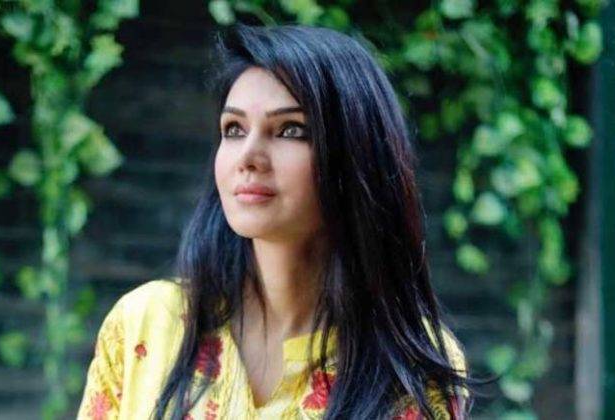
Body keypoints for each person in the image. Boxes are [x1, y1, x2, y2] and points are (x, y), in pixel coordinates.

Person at [77, 23, 480, 420]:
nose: (248, 157)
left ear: (354, 154)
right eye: (234, 129)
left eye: (290, 130)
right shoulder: (147, 325)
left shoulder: (409, 369)